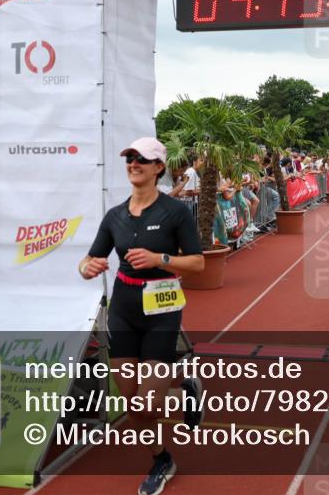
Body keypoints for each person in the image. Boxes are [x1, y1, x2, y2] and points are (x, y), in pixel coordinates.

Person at [78, 138, 205, 495]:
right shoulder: (115, 215)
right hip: (123, 307)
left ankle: (180, 405)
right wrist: (88, 267)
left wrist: (159, 259)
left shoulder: (174, 212)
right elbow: (88, 259)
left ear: (159, 167)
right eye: (130, 158)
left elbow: (197, 263)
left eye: (142, 160)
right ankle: (163, 453)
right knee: (132, 400)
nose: (134, 164)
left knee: (147, 402)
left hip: (162, 309)